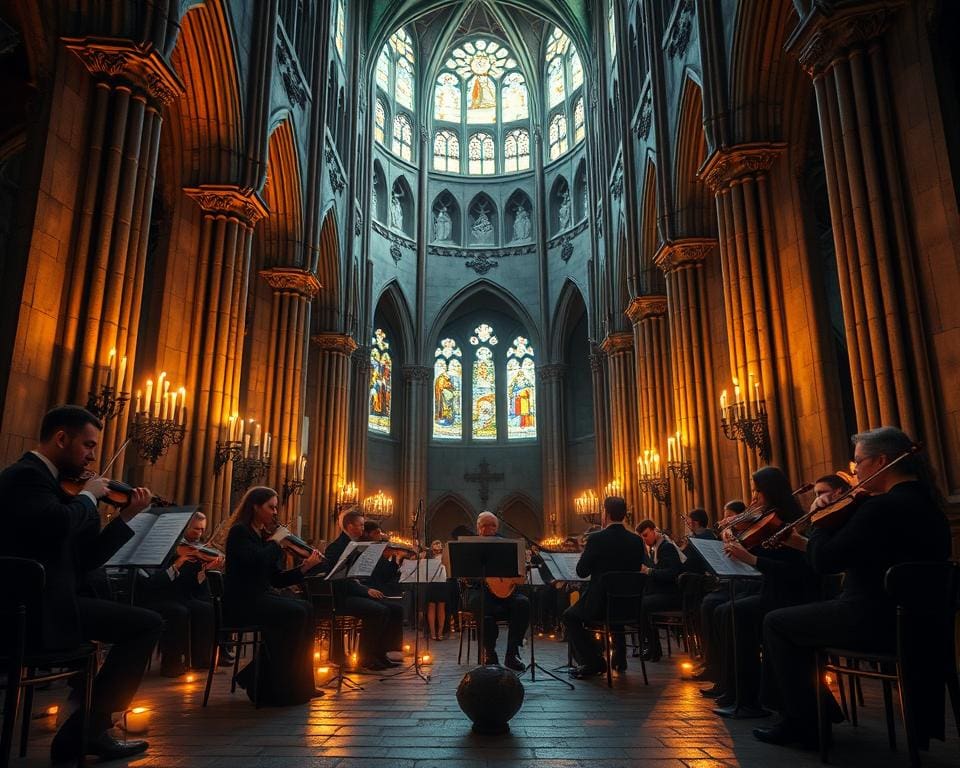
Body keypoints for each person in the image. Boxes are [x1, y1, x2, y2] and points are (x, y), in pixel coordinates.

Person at [755, 427, 951, 749]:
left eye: (858, 461)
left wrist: (819, 518)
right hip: (922, 627)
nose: (855, 469)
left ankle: (803, 724)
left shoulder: (880, 508)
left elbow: (823, 561)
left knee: (776, 621)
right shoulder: (930, 507)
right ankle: (816, 713)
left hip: (872, 619)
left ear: (881, 461)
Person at [0, 405, 162, 763]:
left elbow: (87, 559)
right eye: (88, 446)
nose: (92, 456)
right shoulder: (24, 477)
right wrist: (89, 496)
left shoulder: (59, 487)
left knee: (144, 622)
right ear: (61, 438)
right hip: (32, 610)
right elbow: (56, 524)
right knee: (145, 625)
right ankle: (86, 731)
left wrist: (127, 516)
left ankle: (89, 729)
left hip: (59, 601)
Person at [710, 467, 819, 718]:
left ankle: (750, 699)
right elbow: (765, 555)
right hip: (773, 591)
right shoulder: (767, 519)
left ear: (771, 490)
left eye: (757, 490)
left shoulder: (792, 524)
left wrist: (750, 557)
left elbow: (795, 570)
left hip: (790, 595)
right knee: (725, 610)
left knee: (733, 612)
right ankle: (735, 691)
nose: (754, 497)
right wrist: (735, 540)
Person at [223, 486, 324, 705]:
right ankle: (275, 685)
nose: (275, 512)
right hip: (243, 601)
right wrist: (276, 542)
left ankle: (301, 684)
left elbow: (276, 579)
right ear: (255, 506)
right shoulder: (240, 532)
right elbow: (253, 561)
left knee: (306, 607)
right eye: (271, 507)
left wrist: (304, 568)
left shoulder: (262, 537)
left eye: (276, 507)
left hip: (261, 597)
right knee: (295, 612)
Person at [562, 496, 646, 678]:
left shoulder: (597, 539)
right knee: (616, 604)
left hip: (600, 605)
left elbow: (582, 571)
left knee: (570, 616)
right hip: (631, 606)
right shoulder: (637, 541)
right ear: (624, 515)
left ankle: (592, 662)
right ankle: (619, 657)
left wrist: (586, 554)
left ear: (605, 514)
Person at [136, 510, 221, 676]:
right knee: (178, 611)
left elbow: (189, 583)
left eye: (203, 530)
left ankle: (201, 659)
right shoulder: (163, 547)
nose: (200, 533)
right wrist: (177, 564)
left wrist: (205, 570)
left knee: (206, 608)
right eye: (196, 529)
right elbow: (152, 583)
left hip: (178, 595)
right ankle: (172, 663)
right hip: (155, 596)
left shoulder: (191, 549)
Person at [324, 508, 402, 670]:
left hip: (356, 592)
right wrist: (365, 590)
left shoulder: (359, 545)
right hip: (341, 597)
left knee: (394, 608)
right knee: (378, 610)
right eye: (360, 525)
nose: (362, 528)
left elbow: (364, 574)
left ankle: (381, 653)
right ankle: (366, 657)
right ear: (350, 526)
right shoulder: (336, 547)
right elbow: (339, 578)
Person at [465, 511, 529, 671]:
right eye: (485, 525)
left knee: (523, 603)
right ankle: (490, 653)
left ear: (497, 526)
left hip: (505, 591)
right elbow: (465, 574)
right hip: (479, 589)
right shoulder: (470, 545)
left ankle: (512, 654)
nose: (489, 528)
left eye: (492, 525)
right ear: (478, 527)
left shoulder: (507, 544)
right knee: (481, 606)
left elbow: (518, 571)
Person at [636, 519, 682, 661]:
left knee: (643, 604)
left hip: (672, 594)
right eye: (642, 537)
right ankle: (652, 647)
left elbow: (672, 573)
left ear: (654, 530)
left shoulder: (666, 547)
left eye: (646, 535)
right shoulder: (656, 548)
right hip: (662, 592)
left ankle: (653, 647)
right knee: (641, 600)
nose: (644, 539)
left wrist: (648, 571)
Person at [422, 539, 449, 641]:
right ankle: (432, 632)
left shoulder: (444, 556)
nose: (437, 548)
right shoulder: (428, 556)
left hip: (442, 582)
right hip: (431, 583)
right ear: (432, 547)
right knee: (431, 606)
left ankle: (440, 632)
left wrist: (443, 554)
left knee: (441, 606)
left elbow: (447, 565)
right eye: (435, 546)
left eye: (439, 546)